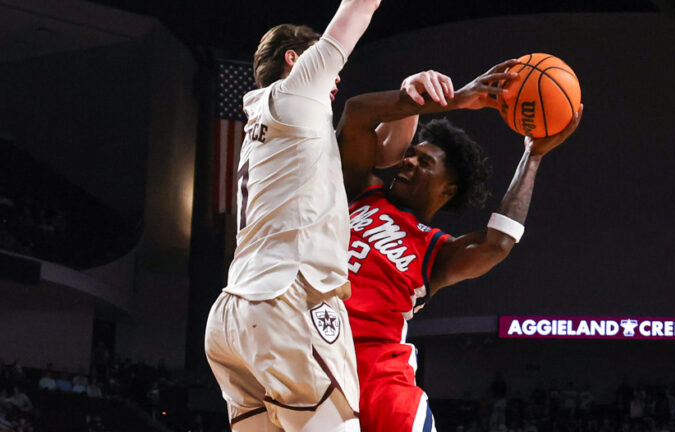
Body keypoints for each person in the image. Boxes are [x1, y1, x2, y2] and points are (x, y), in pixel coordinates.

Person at [337, 62, 583, 431]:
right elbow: (357, 113)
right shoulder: (360, 191)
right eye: (411, 154)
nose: (408, 160)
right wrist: (452, 101)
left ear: (448, 190)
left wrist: (533, 156)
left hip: (381, 380)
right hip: (314, 356)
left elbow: (497, 243)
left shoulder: (436, 252)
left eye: (424, 161)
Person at [204, 1, 382, 431]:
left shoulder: (265, 123)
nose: (335, 74)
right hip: (288, 298)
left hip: (232, 317)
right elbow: (357, 10)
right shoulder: (298, 92)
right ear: (294, 59)